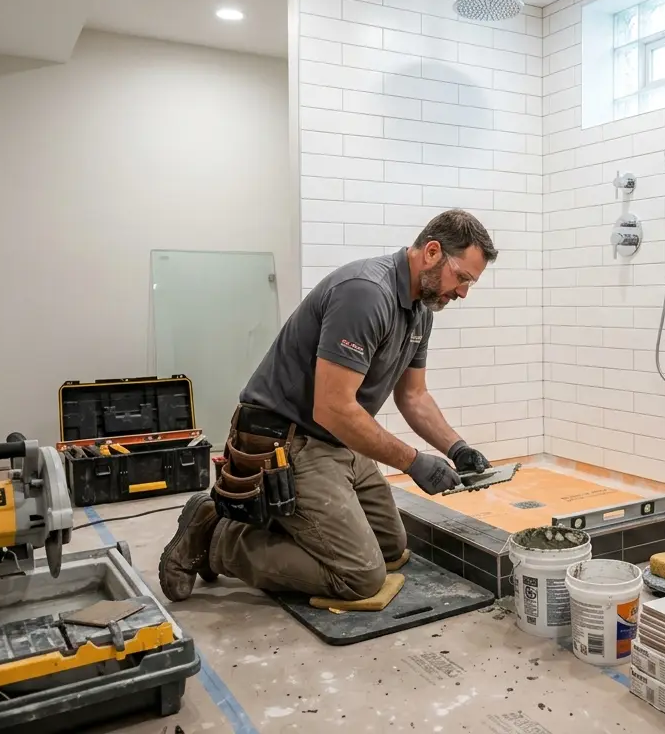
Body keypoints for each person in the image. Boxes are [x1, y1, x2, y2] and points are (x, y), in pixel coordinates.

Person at [158, 209, 497, 603]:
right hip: (284, 440)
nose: (462, 293)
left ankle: (281, 520)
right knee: (360, 576)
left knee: (389, 546)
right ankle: (216, 537)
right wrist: (411, 461)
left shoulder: (421, 310)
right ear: (433, 252)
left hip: (332, 440)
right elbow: (332, 408)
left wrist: (457, 449)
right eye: (462, 278)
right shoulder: (367, 294)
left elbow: (414, 396)